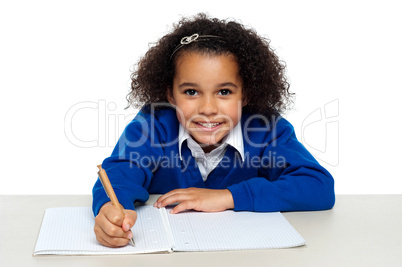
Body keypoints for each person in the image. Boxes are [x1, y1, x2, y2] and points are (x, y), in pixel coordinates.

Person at [92, 13, 335, 248]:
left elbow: (317, 185)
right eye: (191, 92)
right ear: (170, 94)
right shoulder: (153, 124)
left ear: (246, 93)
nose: (208, 109)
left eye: (224, 92)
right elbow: (120, 174)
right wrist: (111, 211)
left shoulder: (265, 128)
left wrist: (227, 197)